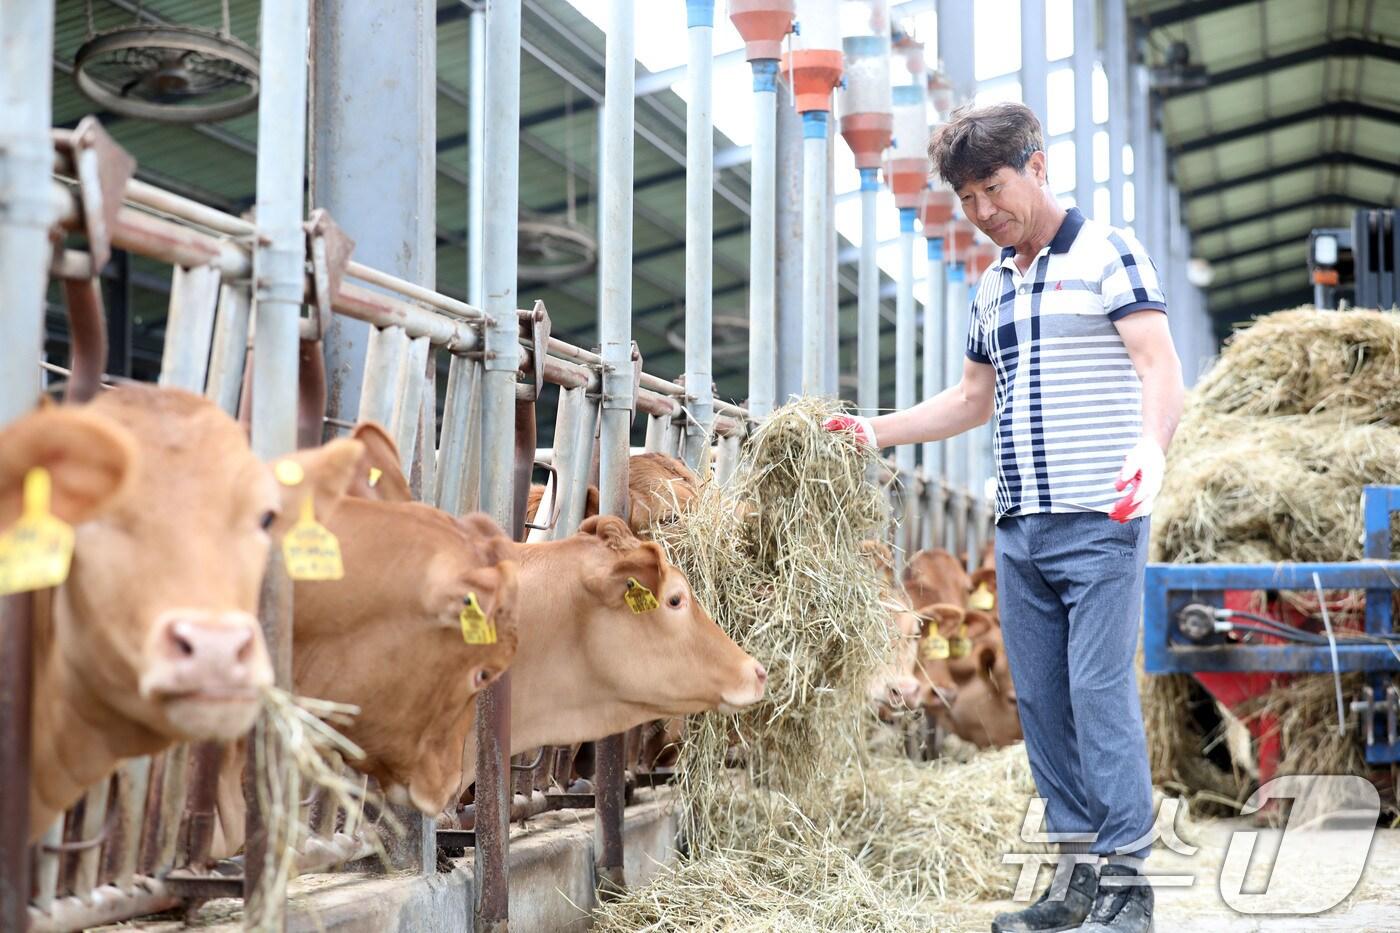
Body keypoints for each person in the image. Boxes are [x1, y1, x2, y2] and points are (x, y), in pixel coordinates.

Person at [826, 102, 1183, 933]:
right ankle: (1074, 882)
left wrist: (1151, 449)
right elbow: (970, 398)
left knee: (1098, 694)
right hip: (1018, 530)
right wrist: (870, 429)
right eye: (969, 200)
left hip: (1100, 515)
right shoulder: (992, 285)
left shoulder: (1107, 253)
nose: (985, 213)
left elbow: (1158, 363)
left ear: (1038, 165)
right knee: (1041, 701)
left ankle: (1129, 889)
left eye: (994, 188)